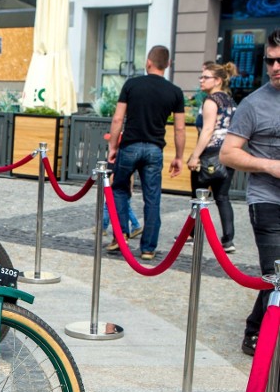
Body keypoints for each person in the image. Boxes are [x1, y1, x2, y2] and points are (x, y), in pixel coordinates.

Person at [220, 28, 280, 356]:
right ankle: (255, 330)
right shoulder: (254, 104)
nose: (274, 66)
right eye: (270, 60)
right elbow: (228, 153)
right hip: (267, 201)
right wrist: (270, 166)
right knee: (276, 272)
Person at [106, 45, 185, 261]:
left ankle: (121, 235)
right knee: (152, 197)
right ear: (167, 65)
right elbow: (179, 128)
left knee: (120, 189)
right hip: (154, 149)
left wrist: (113, 146)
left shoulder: (132, 85)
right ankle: (148, 248)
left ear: (148, 62)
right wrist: (179, 156)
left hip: (130, 145)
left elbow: (117, 119)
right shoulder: (175, 92)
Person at [185, 61, 239, 253]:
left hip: (210, 153)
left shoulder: (211, 101)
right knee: (223, 197)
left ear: (217, 80)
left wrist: (194, 156)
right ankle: (228, 240)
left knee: (198, 196)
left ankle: (192, 234)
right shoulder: (230, 101)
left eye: (205, 77)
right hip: (227, 153)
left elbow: (207, 131)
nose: (201, 80)